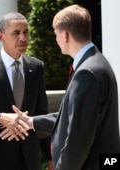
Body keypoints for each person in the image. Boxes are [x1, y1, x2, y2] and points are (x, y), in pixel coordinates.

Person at [12, 4, 120, 170]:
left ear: (65, 35)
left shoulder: (87, 72)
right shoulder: (97, 62)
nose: (56, 40)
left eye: (56, 34)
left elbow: (77, 138)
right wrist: (31, 122)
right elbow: (72, 116)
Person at [0, 12, 53, 170]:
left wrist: (49, 156)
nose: (23, 38)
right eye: (16, 33)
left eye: (26, 32)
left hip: (29, 157)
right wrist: (1, 118)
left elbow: (42, 112)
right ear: (0, 37)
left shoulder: (37, 67)